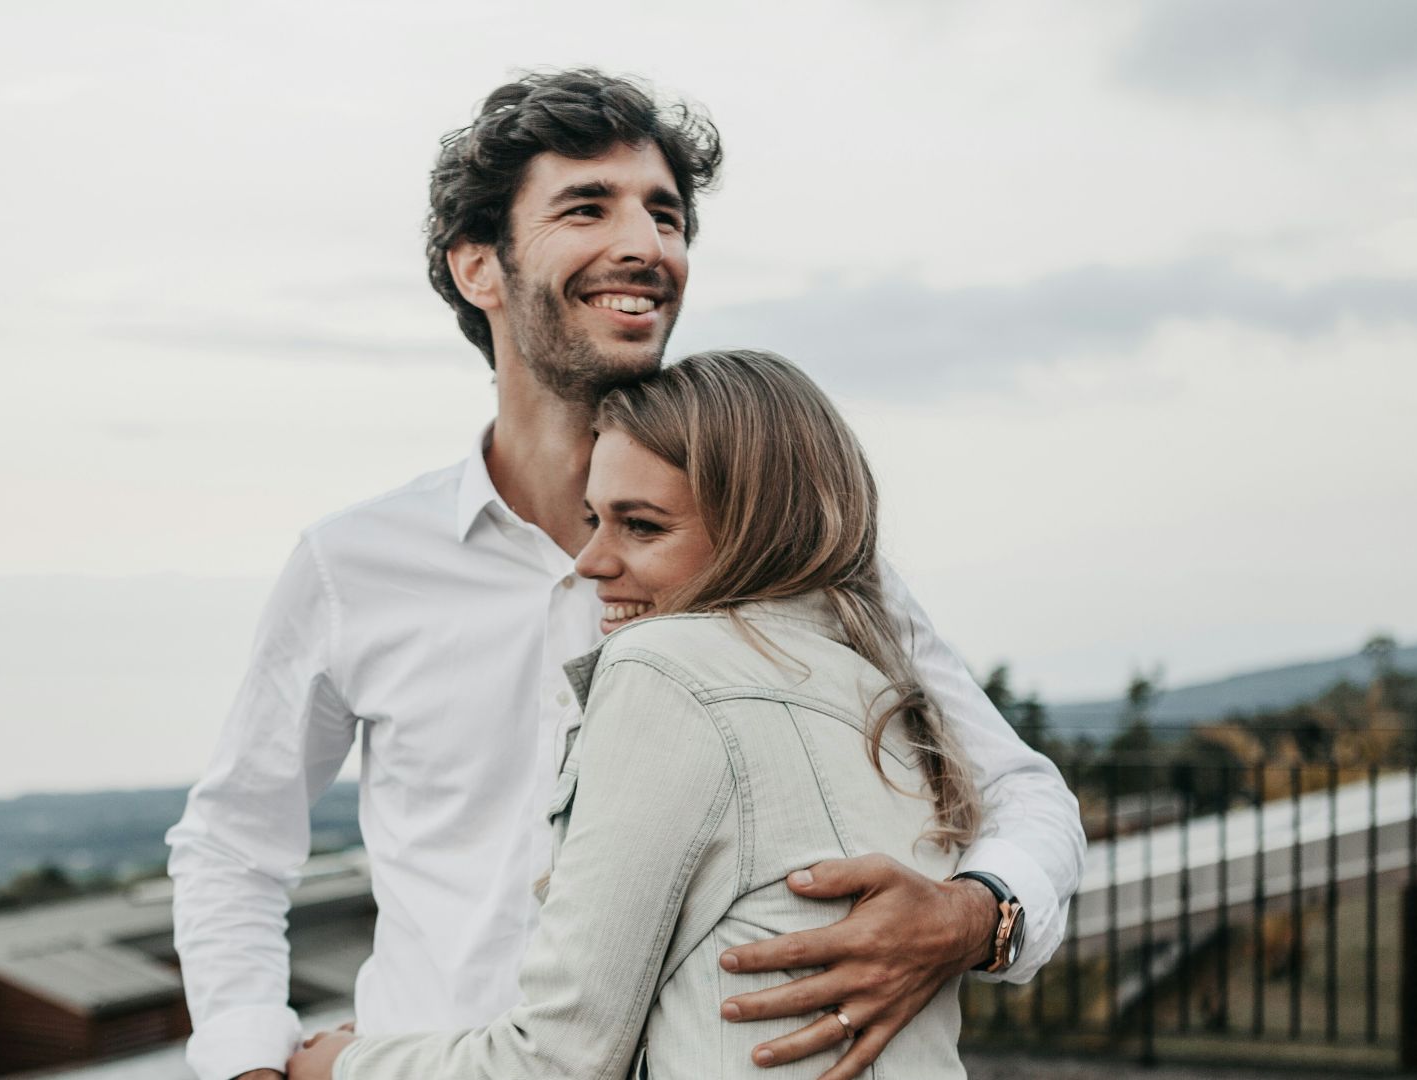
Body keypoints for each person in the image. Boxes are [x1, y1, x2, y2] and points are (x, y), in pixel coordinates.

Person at [166, 69, 1084, 1080]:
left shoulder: (790, 549)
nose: (647, 246)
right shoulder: (354, 564)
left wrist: (972, 917)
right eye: (587, 207)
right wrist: (251, 1058)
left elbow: (1021, 793)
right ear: (480, 267)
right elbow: (234, 845)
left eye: (666, 214)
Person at [285, 349, 989, 1080]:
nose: (590, 560)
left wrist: (340, 1065)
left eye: (642, 527)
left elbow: (559, 1061)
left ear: (757, 530)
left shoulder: (664, 671)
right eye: (595, 519)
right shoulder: (886, 689)